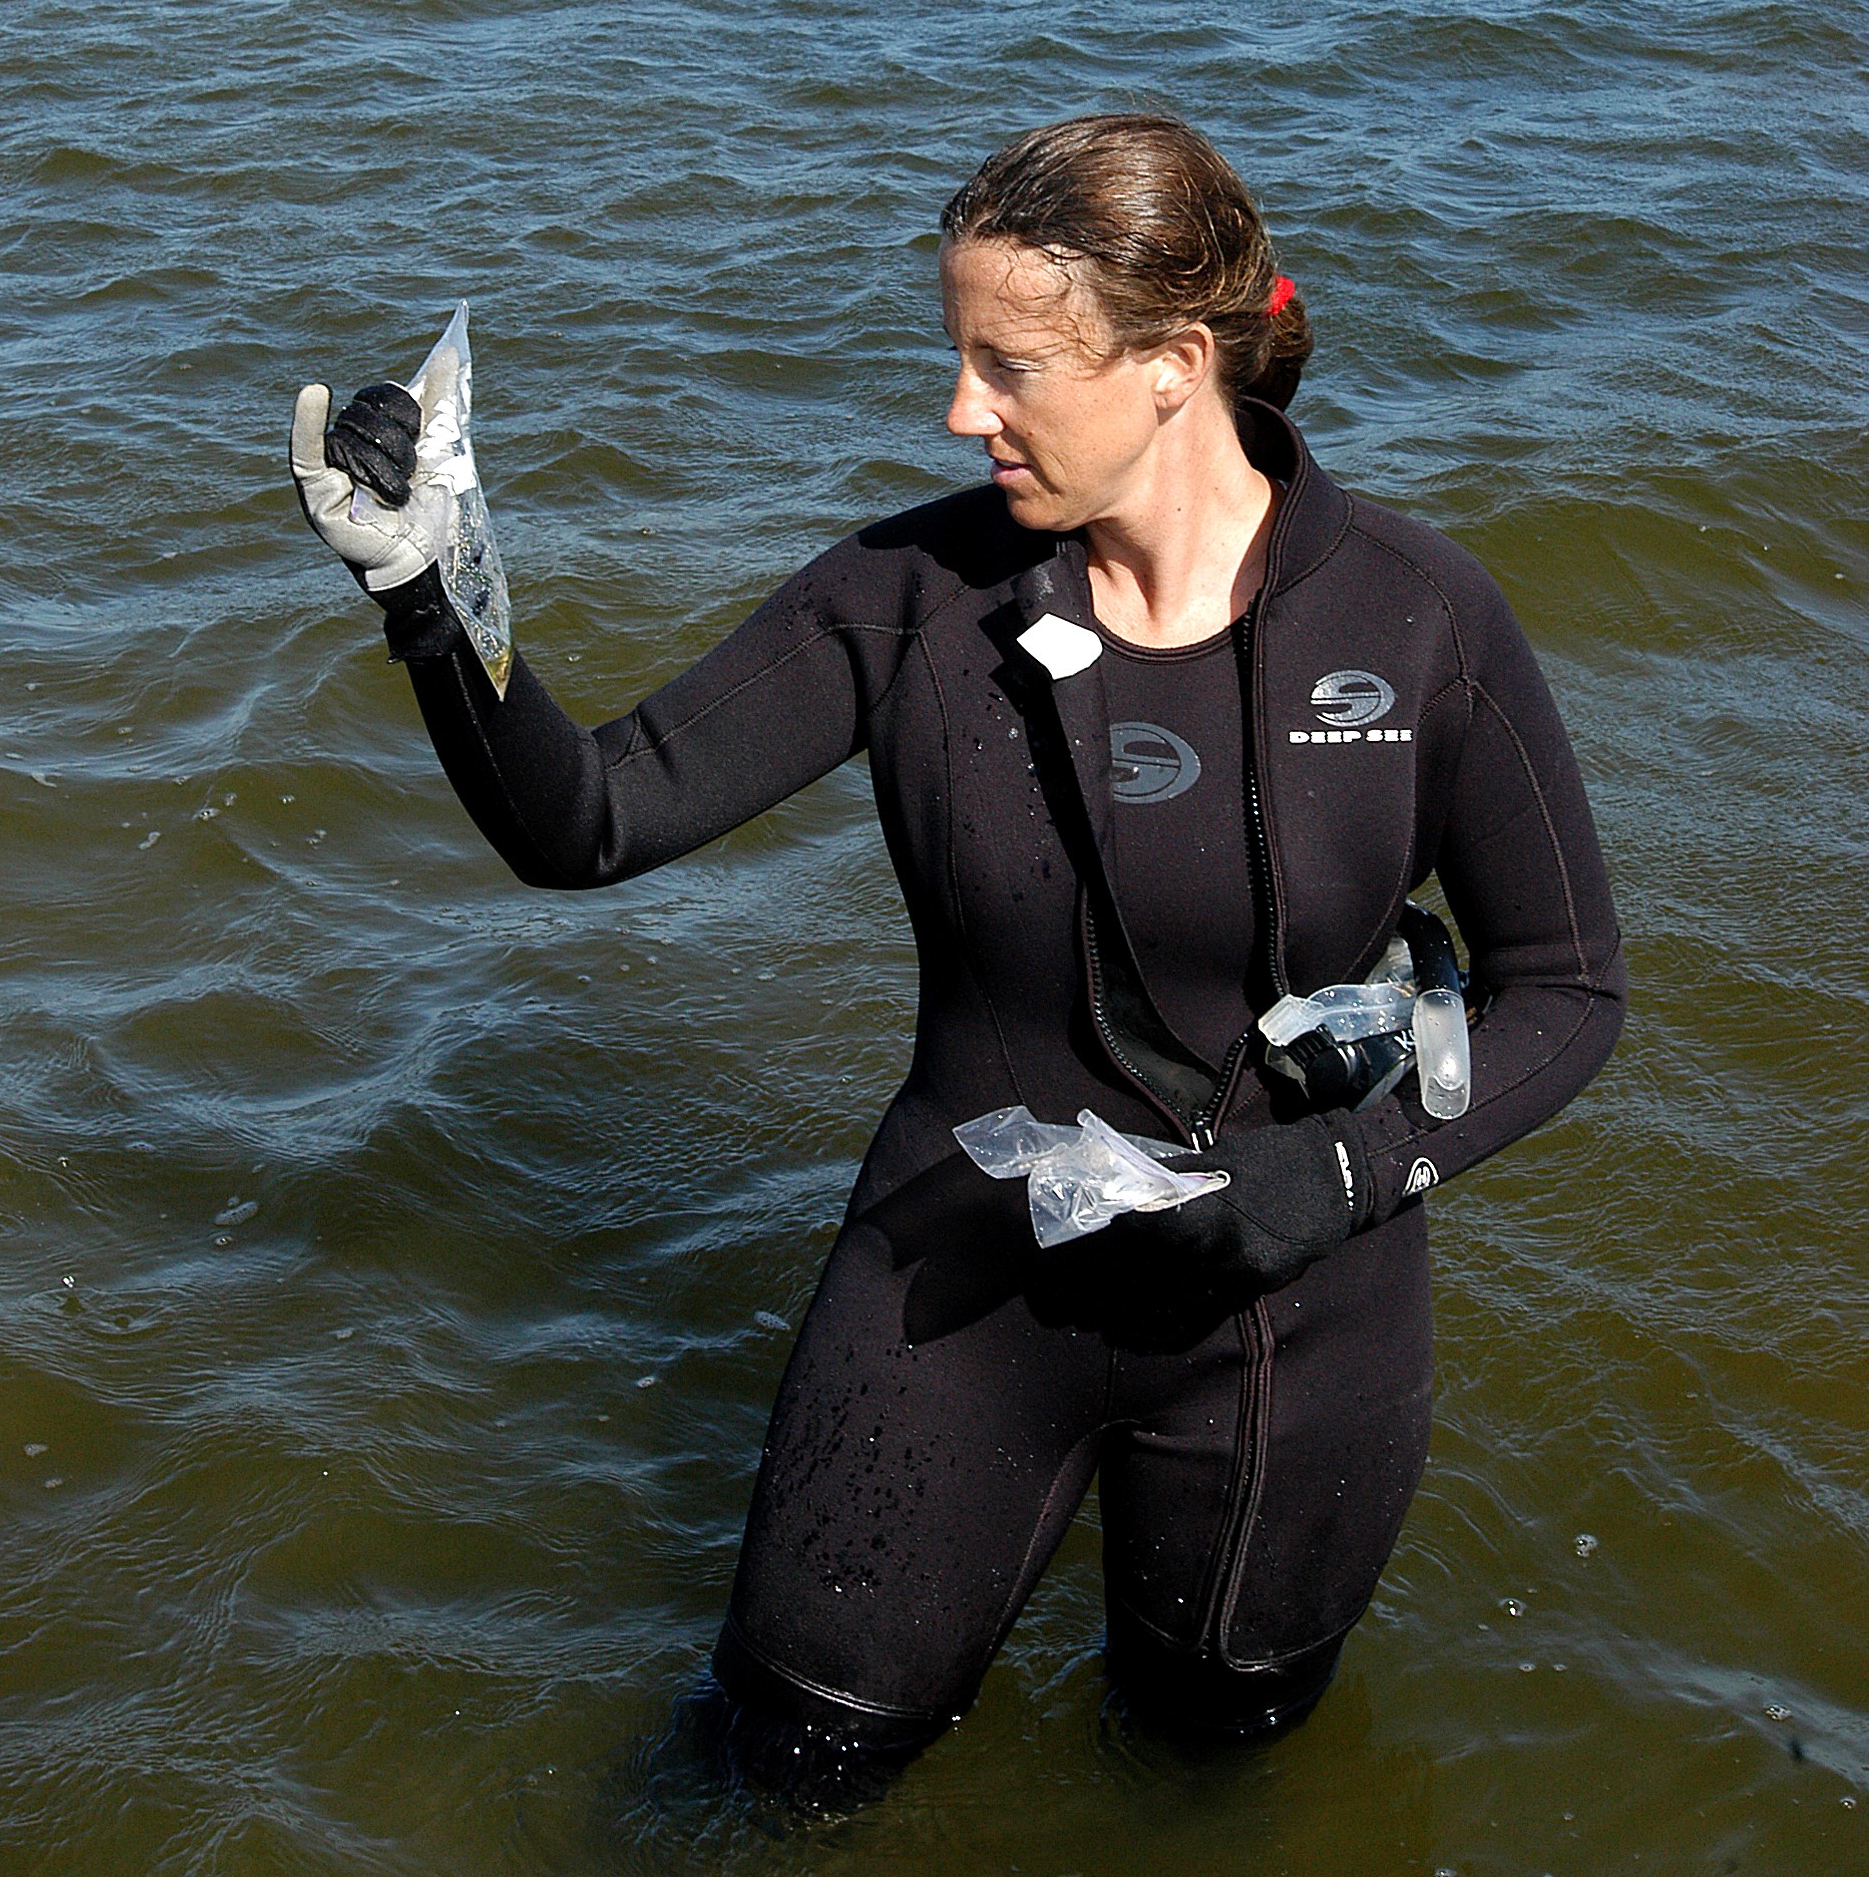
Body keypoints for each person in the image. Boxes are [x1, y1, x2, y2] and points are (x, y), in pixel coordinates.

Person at [290, 113, 1624, 1802]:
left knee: (1206, 1768)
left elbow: (1569, 993)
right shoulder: (911, 600)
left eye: (1007, 367)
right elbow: (591, 822)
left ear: (1170, 365)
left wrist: (1342, 1177)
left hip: (1302, 1316)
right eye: (955, 358)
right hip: (962, 1287)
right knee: (776, 1769)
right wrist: (433, 586)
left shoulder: (1418, 618)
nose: (957, 410)